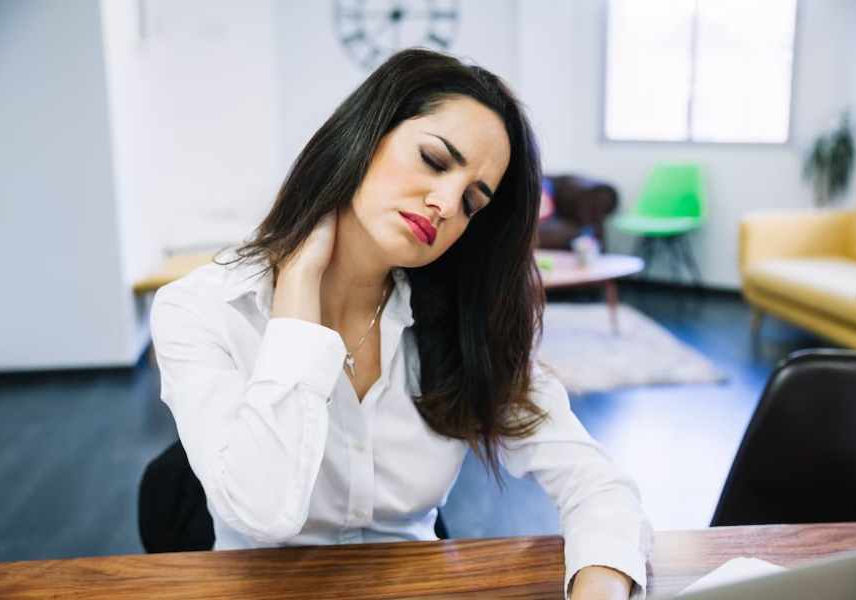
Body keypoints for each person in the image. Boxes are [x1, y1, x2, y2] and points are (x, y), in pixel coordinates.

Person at [149, 48, 653, 600]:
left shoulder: (464, 319)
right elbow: (264, 514)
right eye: (434, 161)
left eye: (472, 202)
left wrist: (599, 589)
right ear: (363, 137)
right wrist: (298, 293)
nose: (446, 203)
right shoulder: (201, 310)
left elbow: (598, 486)